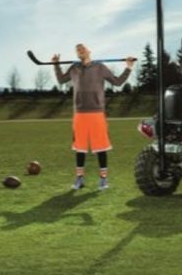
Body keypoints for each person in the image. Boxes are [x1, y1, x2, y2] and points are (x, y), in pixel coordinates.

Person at [53, 43, 136, 190]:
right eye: (78, 50)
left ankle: (103, 179)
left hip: (97, 112)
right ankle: (79, 179)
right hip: (79, 113)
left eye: (82, 48)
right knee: (80, 148)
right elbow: (61, 80)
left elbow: (117, 82)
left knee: (101, 147)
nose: (80, 50)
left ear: (89, 51)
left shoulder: (100, 67)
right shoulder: (74, 68)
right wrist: (56, 65)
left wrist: (128, 67)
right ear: (77, 54)